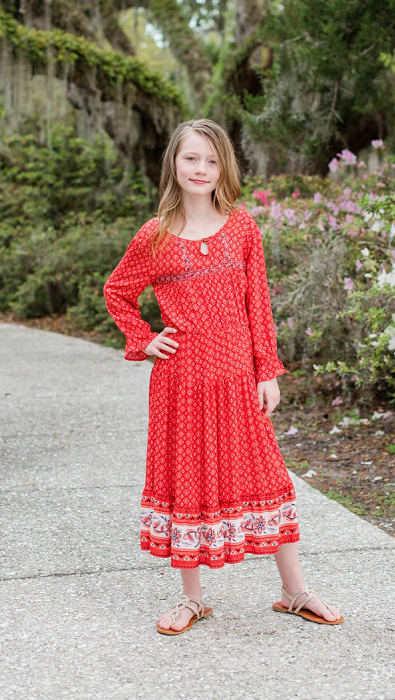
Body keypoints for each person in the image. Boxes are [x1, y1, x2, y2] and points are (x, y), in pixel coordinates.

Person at [103, 119, 343, 635]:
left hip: (237, 376)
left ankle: (294, 590)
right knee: (184, 480)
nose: (201, 169)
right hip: (181, 382)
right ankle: (192, 599)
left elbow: (259, 306)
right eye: (192, 158)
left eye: (212, 161)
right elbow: (117, 291)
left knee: (268, 475)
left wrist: (268, 372)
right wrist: (144, 339)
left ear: (223, 168)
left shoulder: (242, 228)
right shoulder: (156, 236)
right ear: (174, 162)